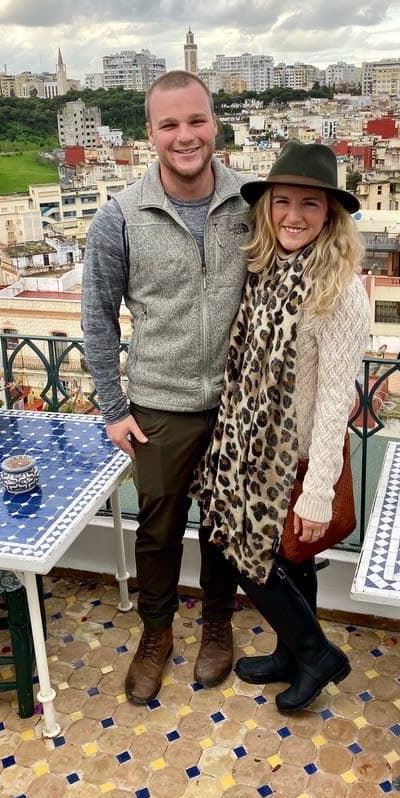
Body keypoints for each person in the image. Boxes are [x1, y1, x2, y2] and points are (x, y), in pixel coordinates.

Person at [81, 70, 251, 705]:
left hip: (237, 400)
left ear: (215, 123)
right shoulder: (119, 217)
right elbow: (97, 316)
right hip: (158, 403)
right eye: (170, 124)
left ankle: (216, 627)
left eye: (197, 121)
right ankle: (156, 635)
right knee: (157, 530)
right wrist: (113, 408)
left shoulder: (249, 202)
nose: (186, 136)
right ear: (149, 133)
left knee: (223, 527)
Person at [192, 140, 370, 713]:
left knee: (261, 556)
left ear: (331, 215)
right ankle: (293, 652)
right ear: (267, 207)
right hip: (245, 445)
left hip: (295, 454)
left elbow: (335, 399)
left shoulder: (340, 290)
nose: (294, 216)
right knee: (285, 559)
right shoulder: (266, 267)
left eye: (311, 205)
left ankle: (316, 652)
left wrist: (318, 489)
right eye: (283, 201)